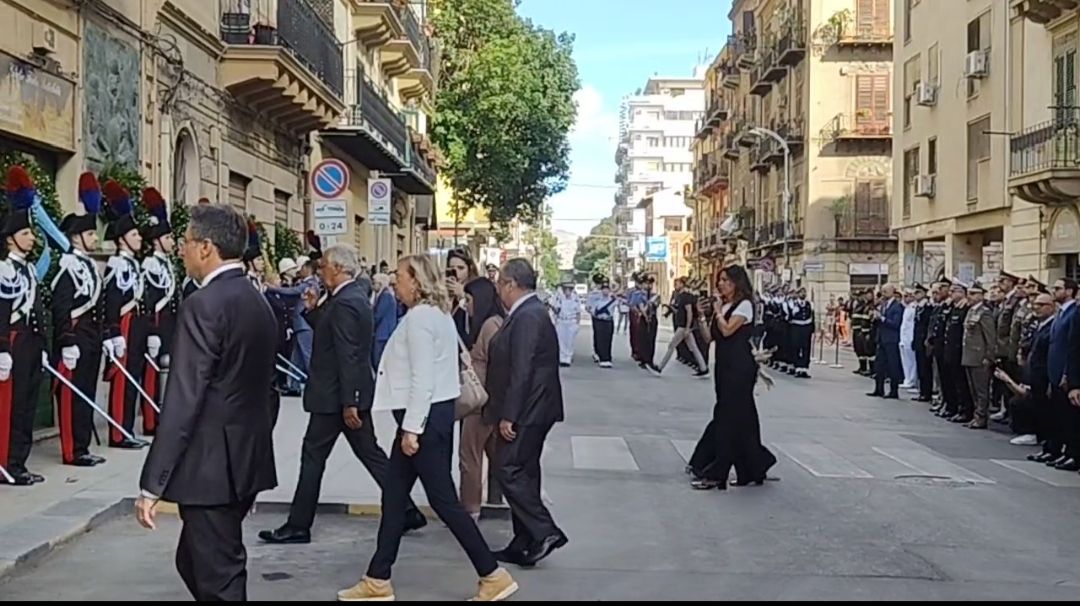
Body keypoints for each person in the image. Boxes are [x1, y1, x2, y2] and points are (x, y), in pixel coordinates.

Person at [338, 254, 518, 602]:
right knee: (394, 496)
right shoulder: (438, 315)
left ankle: (492, 574)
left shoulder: (421, 319)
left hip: (421, 419)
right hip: (428, 417)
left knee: (444, 502)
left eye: (400, 277)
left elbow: (422, 378)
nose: (394, 282)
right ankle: (378, 578)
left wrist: (412, 429)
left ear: (416, 282)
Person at [135, 204, 279, 601]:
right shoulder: (257, 300)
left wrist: (152, 484)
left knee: (219, 578)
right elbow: (268, 391)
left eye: (186, 242)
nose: (181, 250)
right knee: (194, 561)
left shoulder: (204, 304)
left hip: (212, 466)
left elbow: (183, 397)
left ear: (206, 248)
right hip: (241, 460)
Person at [260, 245, 424, 545]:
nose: (320, 271)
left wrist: (351, 401)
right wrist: (312, 310)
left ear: (338, 268)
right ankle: (407, 509)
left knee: (315, 458)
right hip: (340, 397)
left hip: (336, 399)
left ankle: (299, 525)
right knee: (369, 454)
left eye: (324, 266)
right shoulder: (346, 298)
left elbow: (349, 354)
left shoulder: (348, 301)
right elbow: (330, 332)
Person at [485, 258, 567, 568]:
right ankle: (524, 541)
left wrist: (510, 415)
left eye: (499, 284)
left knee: (508, 468)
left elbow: (522, 369)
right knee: (526, 471)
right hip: (532, 407)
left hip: (530, 409)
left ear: (511, 284)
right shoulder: (524, 313)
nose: (497, 290)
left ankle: (544, 531)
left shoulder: (529, 315)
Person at [687, 265, 776, 490]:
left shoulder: (744, 306)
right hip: (724, 366)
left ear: (736, 282)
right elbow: (710, 339)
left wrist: (717, 312)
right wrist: (701, 316)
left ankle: (718, 473)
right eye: (719, 280)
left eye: (725, 280)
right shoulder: (725, 306)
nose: (720, 284)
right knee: (743, 419)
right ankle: (755, 466)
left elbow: (727, 330)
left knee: (726, 418)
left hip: (740, 367)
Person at [49, 172, 107, 468]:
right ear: (76, 237)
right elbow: (61, 308)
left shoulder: (85, 265)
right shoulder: (67, 267)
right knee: (72, 398)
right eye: (90, 234)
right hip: (74, 339)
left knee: (86, 394)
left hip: (91, 339)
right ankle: (72, 450)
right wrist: (66, 341)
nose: (95, 238)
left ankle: (82, 446)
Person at [0, 166, 48, 485]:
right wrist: (2, 349)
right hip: (13, 343)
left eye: (31, 232)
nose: (31, 237)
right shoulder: (3, 270)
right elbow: (2, 312)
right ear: (10, 238)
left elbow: (39, 313)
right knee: (12, 407)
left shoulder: (29, 270)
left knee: (28, 405)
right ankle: (7, 465)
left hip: (31, 344)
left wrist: (43, 347)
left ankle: (20, 461)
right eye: (26, 233)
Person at [101, 179, 148, 449]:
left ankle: (127, 428)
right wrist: (114, 332)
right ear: (121, 239)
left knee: (133, 377)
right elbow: (113, 301)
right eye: (133, 235)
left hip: (138, 323)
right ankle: (118, 432)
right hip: (125, 324)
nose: (139, 238)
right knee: (122, 379)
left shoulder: (133, 263)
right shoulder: (117, 264)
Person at [459, 277, 505, 519]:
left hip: (481, 403)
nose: (466, 305)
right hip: (488, 402)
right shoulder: (492, 323)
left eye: (468, 300)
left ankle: (470, 509)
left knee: (470, 457)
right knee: (493, 457)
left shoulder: (490, 327)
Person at [139, 187, 177, 436]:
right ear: (157, 241)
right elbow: (151, 300)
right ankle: (151, 420)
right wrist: (152, 331)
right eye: (168, 238)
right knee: (152, 374)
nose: (172, 242)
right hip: (158, 325)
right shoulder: (150, 264)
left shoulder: (166, 264)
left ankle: (164, 415)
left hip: (171, 326)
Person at [1049, 278, 1080, 471]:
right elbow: (1071, 347)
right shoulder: (1065, 313)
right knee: (1064, 417)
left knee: (1071, 419)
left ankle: (1073, 453)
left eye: (1058, 288)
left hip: (1067, 372)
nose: (1054, 291)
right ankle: (1068, 452)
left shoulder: (1073, 312)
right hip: (1061, 371)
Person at [960, 282, 997, 429]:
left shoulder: (984, 312)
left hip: (979, 355)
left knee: (982, 390)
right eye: (969, 293)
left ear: (982, 295)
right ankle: (976, 415)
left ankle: (981, 417)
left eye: (974, 293)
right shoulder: (971, 311)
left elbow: (990, 336)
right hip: (969, 354)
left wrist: (989, 356)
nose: (970, 296)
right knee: (973, 388)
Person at [656, 277, 708, 377]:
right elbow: (680, 311)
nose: (675, 285)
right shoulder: (681, 296)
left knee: (671, 346)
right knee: (694, 347)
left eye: (678, 283)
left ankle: (660, 367)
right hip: (683, 325)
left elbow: (689, 312)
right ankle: (704, 369)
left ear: (683, 284)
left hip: (683, 326)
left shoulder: (685, 297)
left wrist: (688, 328)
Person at [868, 285, 903, 400]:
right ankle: (879, 389)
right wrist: (875, 318)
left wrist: (882, 318)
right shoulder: (883, 305)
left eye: (885, 291)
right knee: (879, 365)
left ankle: (894, 390)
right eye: (882, 291)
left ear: (892, 292)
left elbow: (896, 324)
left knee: (893, 365)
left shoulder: (897, 306)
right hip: (881, 338)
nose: (883, 294)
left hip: (891, 339)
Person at [447, 248, 479, 346]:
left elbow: (475, 319)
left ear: (469, 269)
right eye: (452, 268)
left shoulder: (476, 290)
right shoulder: (443, 289)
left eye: (461, 268)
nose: (456, 272)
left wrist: (462, 296)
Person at [371, 272, 398, 371]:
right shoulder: (382, 295)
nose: (373, 285)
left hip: (383, 334)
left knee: (378, 360)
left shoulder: (386, 296)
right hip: (382, 333)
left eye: (375, 283)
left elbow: (378, 315)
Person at [912, 284, 934, 403]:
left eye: (918, 292)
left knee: (926, 369)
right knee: (920, 368)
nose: (916, 295)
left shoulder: (927, 307)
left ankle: (927, 392)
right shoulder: (918, 307)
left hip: (925, 342)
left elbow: (927, 326)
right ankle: (922, 391)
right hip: (918, 341)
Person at [553, 282, 581, 367]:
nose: (567, 291)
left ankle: (568, 357)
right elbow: (556, 310)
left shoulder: (575, 298)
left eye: (569, 290)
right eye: (565, 290)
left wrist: (577, 323)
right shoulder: (559, 298)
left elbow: (578, 312)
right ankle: (562, 358)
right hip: (561, 321)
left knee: (569, 341)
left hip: (571, 321)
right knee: (561, 340)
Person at [590, 281, 617, 369]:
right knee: (600, 339)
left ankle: (608, 358)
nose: (605, 291)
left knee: (608, 339)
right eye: (604, 289)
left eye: (607, 289)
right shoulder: (597, 301)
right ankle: (602, 358)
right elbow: (593, 311)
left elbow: (622, 304)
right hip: (600, 321)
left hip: (608, 321)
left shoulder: (613, 301)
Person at [789, 287, 814, 379]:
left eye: (804, 292)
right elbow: (790, 315)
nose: (803, 294)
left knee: (806, 348)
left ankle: (804, 368)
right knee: (796, 347)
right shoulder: (793, 304)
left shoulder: (808, 304)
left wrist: (812, 328)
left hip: (806, 327)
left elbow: (811, 316)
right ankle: (797, 367)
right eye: (801, 292)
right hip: (796, 327)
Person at [899, 289, 918, 391]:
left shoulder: (914, 308)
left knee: (912, 361)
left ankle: (912, 380)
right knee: (905, 361)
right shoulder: (907, 308)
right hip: (904, 338)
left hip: (910, 337)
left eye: (907, 296)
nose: (905, 298)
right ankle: (907, 379)